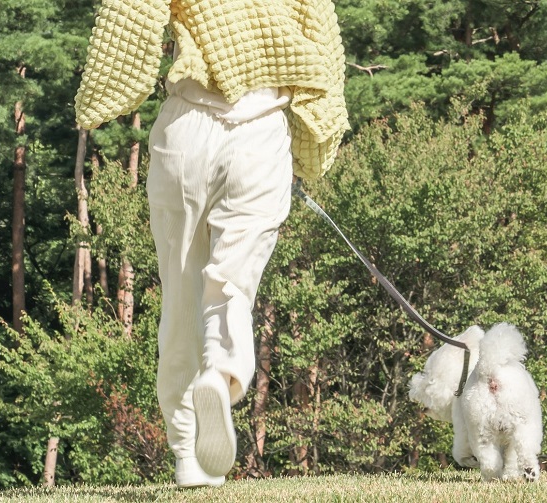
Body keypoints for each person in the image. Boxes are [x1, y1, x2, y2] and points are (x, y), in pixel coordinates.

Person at [75, 0, 348, 488]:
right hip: (261, 126)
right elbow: (323, 51)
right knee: (230, 286)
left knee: (179, 299)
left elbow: (129, 15)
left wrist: (104, 93)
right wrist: (312, 140)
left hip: (186, 125)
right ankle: (220, 374)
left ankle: (187, 454)